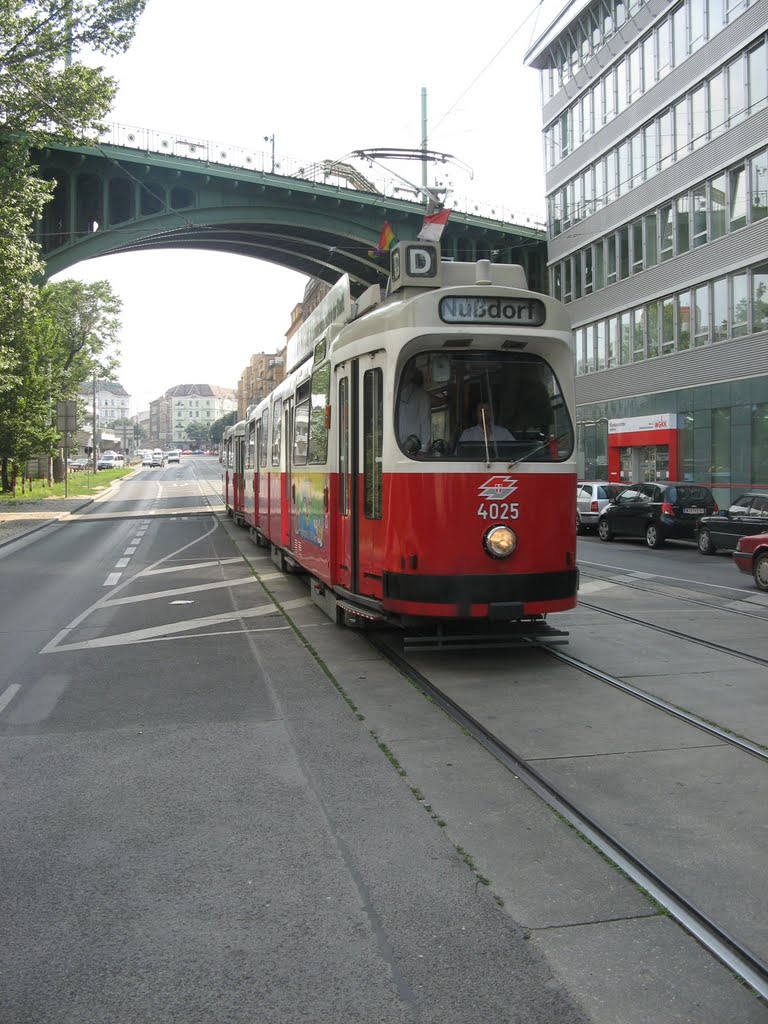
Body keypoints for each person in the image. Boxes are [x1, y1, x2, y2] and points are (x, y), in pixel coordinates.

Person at [397, 367, 431, 451]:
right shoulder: (390, 395)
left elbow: (425, 424)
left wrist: (423, 449)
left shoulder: (422, 397)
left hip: (414, 451)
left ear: (411, 375)